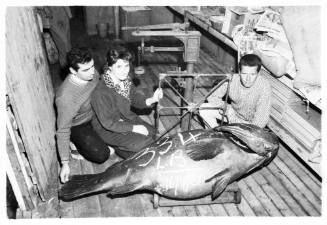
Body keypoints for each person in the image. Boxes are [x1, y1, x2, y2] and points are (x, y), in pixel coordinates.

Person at [91, 45, 163, 159]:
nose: (124, 71)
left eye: (126, 65)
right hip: (108, 127)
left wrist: (152, 99)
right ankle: (117, 147)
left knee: (155, 134)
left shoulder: (125, 81)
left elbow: (134, 98)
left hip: (125, 118)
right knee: (146, 144)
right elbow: (108, 123)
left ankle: (125, 147)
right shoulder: (101, 92)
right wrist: (134, 128)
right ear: (109, 67)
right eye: (119, 66)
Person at [55, 47, 109, 183]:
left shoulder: (91, 72)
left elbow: (100, 84)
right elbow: (62, 130)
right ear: (73, 71)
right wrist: (65, 163)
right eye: (85, 70)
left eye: (92, 66)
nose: (92, 72)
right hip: (79, 124)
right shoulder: (65, 97)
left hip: (95, 111)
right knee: (101, 154)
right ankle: (74, 144)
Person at [199, 54, 271, 128]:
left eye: (252, 74)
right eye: (244, 74)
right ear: (239, 72)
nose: (248, 79)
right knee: (204, 108)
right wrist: (226, 107)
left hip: (251, 125)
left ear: (258, 74)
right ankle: (215, 135)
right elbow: (212, 96)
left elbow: (260, 121)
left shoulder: (264, 86)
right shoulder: (233, 79)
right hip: (232, 114)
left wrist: (243, 128)